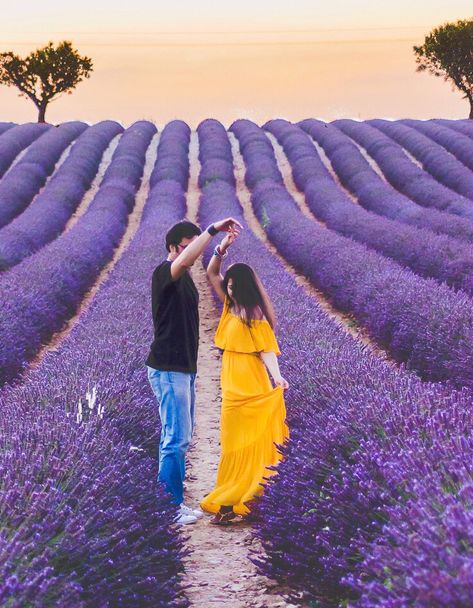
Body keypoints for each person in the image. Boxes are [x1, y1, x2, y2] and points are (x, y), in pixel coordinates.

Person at [146, 217, 242, 525]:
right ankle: (168, 507)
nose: (192, 254)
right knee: (175, 438)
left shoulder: (185, 277)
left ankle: (173, 502)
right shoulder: (165, 273)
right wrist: (212, 229)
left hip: (183, 367)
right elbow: (187, 261)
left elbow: (208, 269)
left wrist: (220, 250)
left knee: (181, 437)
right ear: (173, 248)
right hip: (168, 367)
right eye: (187, 247)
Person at [200, 232, 289, 525]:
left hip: (252, 385)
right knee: (232, 444)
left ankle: (239, 501)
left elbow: (266, 351)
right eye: (229, 286)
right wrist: (221, 249)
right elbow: (211, 272)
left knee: (252, 443)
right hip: (232, 389)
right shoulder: (229, 307)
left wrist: (277, 378)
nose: (231, 290)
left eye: (236, 286)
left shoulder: (255, 315)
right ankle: (229, 496)